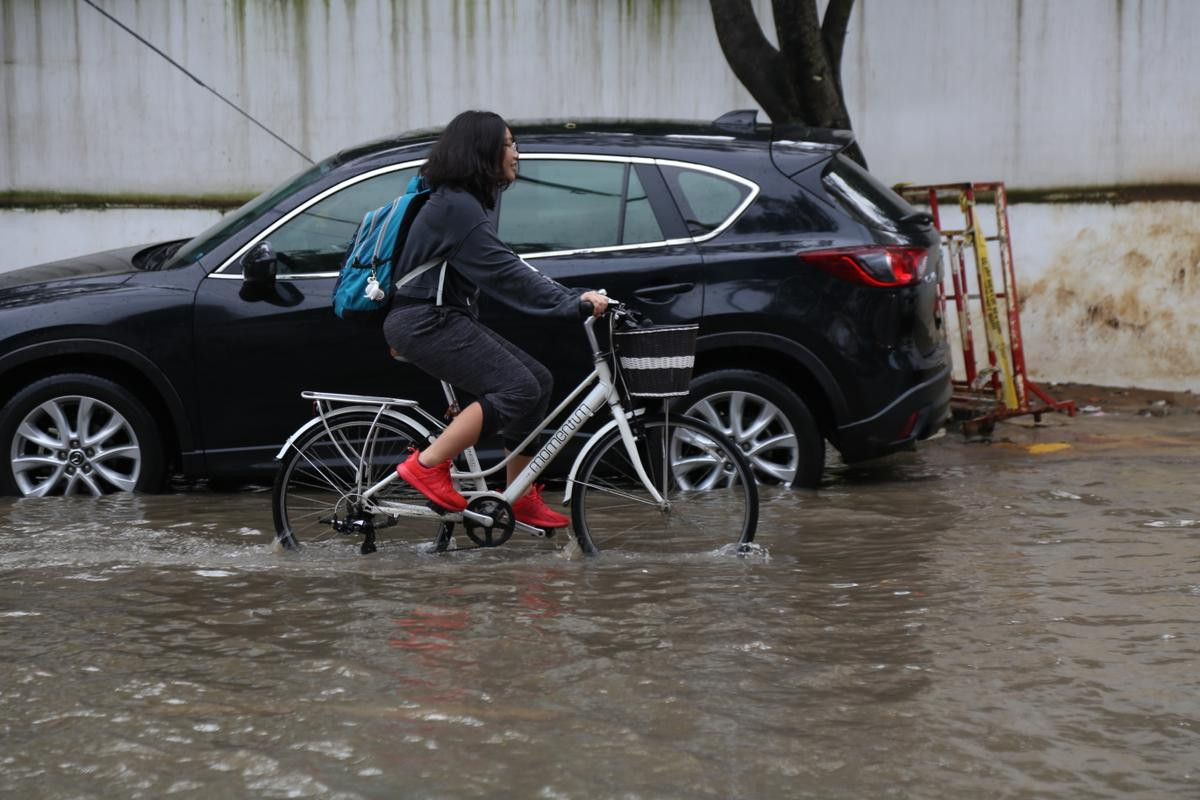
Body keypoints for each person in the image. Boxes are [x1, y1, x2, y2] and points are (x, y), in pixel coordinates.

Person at [384, 110, 609, 529]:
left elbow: (508, 266)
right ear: (482, 152)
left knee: (538, 382)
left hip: (440, 318)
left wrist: (567, 297)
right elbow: (507, 272)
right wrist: (570, 303)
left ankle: (519, 495)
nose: (516, 152)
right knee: (518, 387)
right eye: (508, 143)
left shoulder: (465, 203)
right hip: (424, 321)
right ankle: (427, 465)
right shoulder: (457, 207)